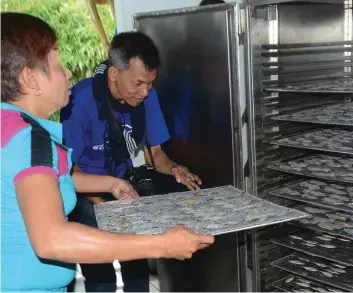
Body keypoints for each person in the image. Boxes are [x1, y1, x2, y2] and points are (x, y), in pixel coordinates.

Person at [1, 12, 214, 293]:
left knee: (135, 271)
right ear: (30, 79)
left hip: (113, 194)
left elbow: (54, 178)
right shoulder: (39, 134)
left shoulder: (11, 126)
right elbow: (53, 239)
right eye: (57, 65)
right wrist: (162, 243)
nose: (67, 72)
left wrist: (114, 183)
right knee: (101, 278)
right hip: (27, 281)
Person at [60, 31, 204, 291]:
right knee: (99, 276)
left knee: (137, 271)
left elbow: (155, 154)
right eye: (138, 83)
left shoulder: (147, 97)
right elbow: (69, 169)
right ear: (114, 73)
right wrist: (101, 202)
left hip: (124, 189)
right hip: (85, 195)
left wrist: (174, 168)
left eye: (150, 83)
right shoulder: (79, 101)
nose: (145, 91)